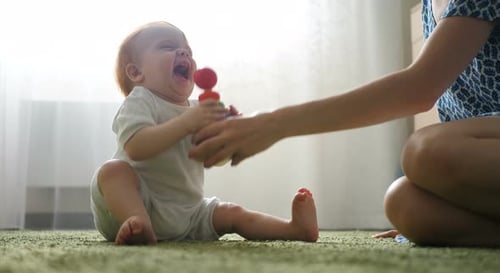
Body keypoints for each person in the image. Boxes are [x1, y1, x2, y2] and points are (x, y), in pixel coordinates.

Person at [189, 0, 500, 247]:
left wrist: (274, 124)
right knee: (403, 203)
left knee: (424, 150)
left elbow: (419, 89)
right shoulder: (433, 10)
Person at [90, 21, 319, 245]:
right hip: (137, 203)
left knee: (233, 213)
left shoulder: (199, 109)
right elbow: (136, 147)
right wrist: (186, 123)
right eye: (168, 47)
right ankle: (137, 223)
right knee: (113, 171)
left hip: (188, 212)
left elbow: (215, 159)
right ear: (136, 72)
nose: (184, 53)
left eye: (188, 51)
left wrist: (227, 136)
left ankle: (295, 229)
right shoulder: (141, 99)